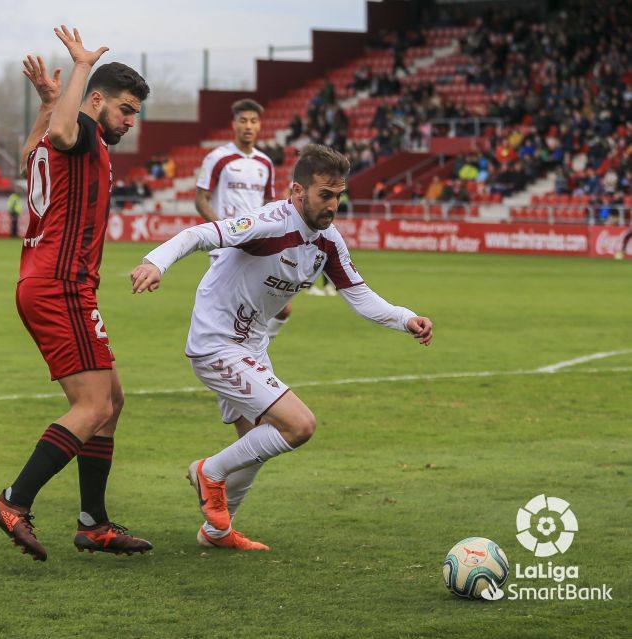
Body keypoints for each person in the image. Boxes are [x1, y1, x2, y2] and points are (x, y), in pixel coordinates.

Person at [130, 144, 434, 550]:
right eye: (325, 194)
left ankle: (216, 533)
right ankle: (209, 472)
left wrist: (404, 318)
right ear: (297, 191)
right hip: (216, 342)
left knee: (254, 446)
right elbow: (201, 233)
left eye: (339, 195)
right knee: (299, 425)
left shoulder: (328, 240)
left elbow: (358, 295)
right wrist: (156, 262)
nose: (333, 205)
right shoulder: (269, 222)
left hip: (251, 345)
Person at [0, 26, 153, 562]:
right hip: (61, 285)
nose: (130, 121)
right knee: (93, 403)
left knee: (112, 402)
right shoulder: (79, 129)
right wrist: (78, 70)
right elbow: (58, 136)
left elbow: (33, 150)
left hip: (50, 282)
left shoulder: (72, 136)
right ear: (95, 101)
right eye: (125, 109)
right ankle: (14, 501)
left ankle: (93, 522)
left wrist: (47, 101)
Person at [195, 100, 293, 339]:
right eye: (243, 120)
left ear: (259, 126)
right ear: (234, 124)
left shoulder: (265, 163)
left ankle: (260, 344)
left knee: (283, 307)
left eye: (253, 121)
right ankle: (229, 354)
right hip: (226, 248)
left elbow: (269, 206)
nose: (248, 126)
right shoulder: (218, 157)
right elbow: (201, 199)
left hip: (257, 244)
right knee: (231, 312)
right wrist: (224, 232)